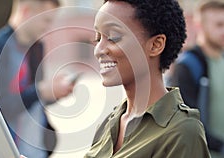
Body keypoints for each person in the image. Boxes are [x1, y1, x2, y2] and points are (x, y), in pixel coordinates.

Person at [80, 0, 211, 157]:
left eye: (113, 37)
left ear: (156, 45)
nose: (98, 50)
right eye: (98, 38)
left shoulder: (182, 131)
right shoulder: (109, 123)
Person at [0, 0, 75, 158]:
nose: (49, 27)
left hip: (37, 151)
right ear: (27, 11)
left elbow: (32, 102)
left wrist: (53, 91)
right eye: (46, 20)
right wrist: (41, 91)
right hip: (5, 153)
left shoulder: (37, 48)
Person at [166, 1, 224, 157]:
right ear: (200, 26)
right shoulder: (187, 65)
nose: (223, 31)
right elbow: (184, 122)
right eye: (219, 25)